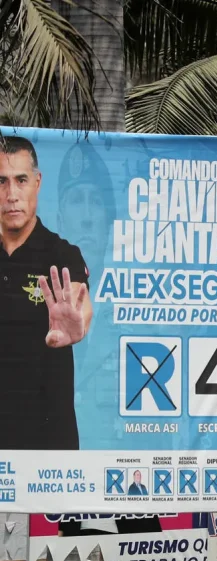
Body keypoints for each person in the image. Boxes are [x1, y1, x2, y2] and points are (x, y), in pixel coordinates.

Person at [0, 135, 93, 451]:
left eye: (20, 180)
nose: (11, 194)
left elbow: (81, 303)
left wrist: (76, 323)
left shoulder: (62, 254)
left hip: (47, 447)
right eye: (1, 181)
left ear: (37, 183)